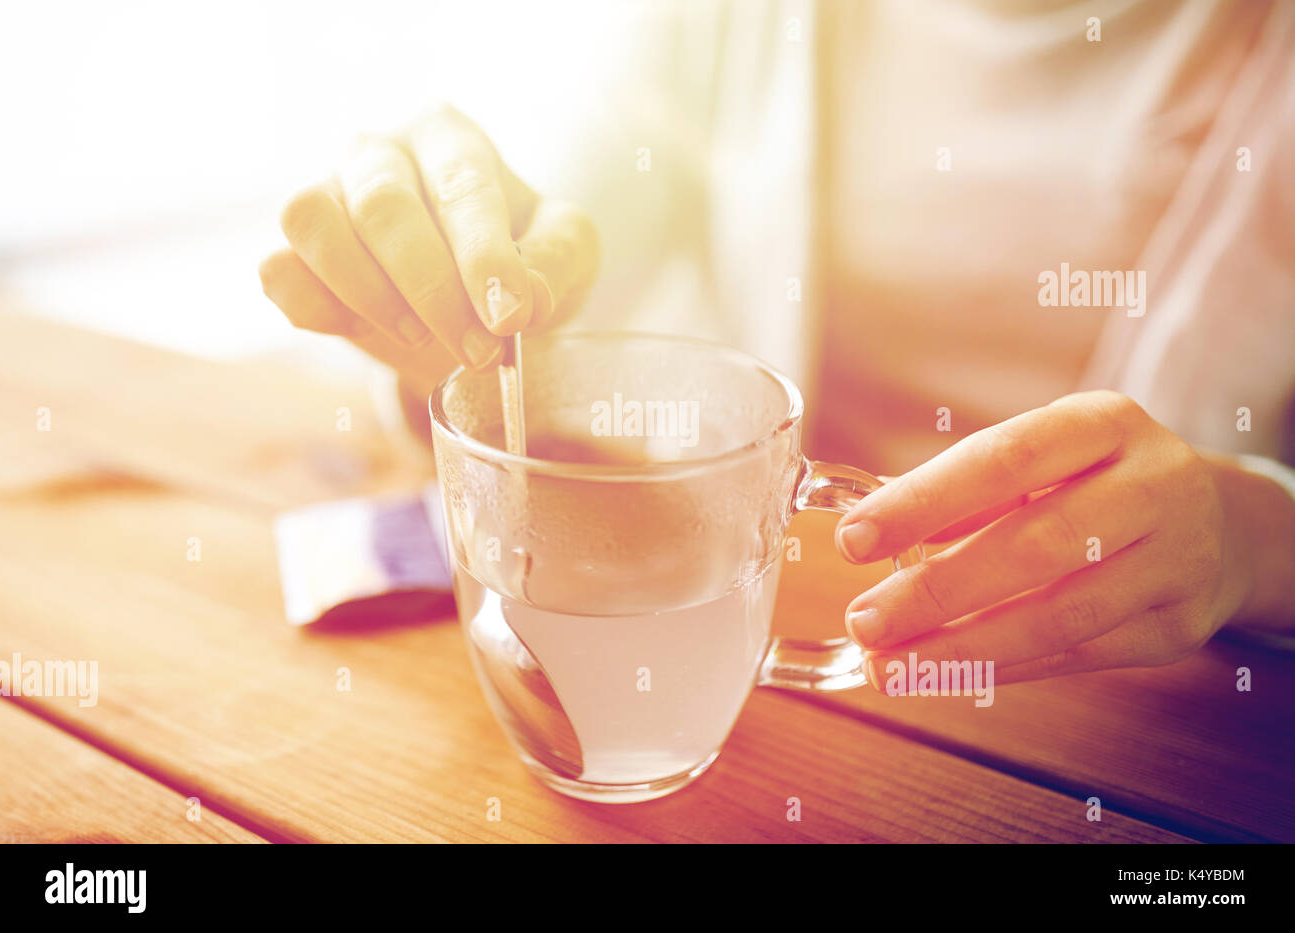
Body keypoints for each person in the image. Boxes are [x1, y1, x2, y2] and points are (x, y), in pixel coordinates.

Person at [258, 0, 1295, 686]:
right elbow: (553, 263)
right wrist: (440, 297)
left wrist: (1249, 536)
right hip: (791, 683)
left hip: (1187, 734)